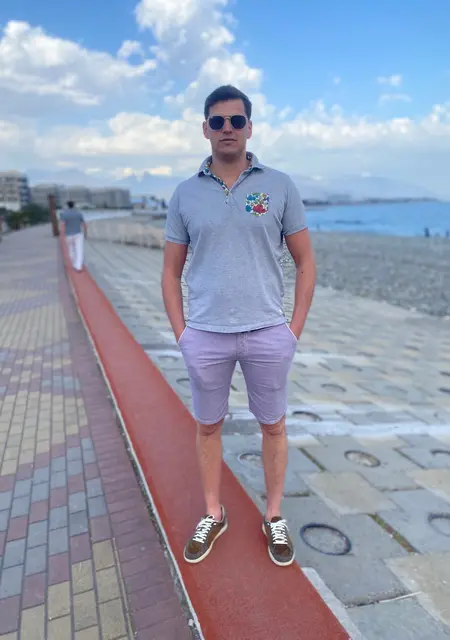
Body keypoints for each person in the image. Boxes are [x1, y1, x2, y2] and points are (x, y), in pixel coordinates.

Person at [162, 85, 316, 567]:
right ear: (205, 129)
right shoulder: (185, 193)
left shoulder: (280, 185)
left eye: (235, 120)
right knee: (208, 426)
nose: (226, 128)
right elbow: (169, 272)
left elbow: (306, 262)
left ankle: (274, 515)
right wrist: (182, 334)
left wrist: (292, 330)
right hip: (205, 334)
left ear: (249, 127)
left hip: (268, 331)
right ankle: (214, 512)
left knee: (274, 425)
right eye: (217, 121)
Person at [59, 201, 87, 271]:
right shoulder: (79, 213)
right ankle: (78, 266)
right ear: (74, 205)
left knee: (70, 249)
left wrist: (62, 235)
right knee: (79, 250)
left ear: (67, 206)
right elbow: (84, 224)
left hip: (68, 235)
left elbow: (62, 225)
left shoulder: (64, 214)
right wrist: (85, 234)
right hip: (78, 234)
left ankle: (74, 262)